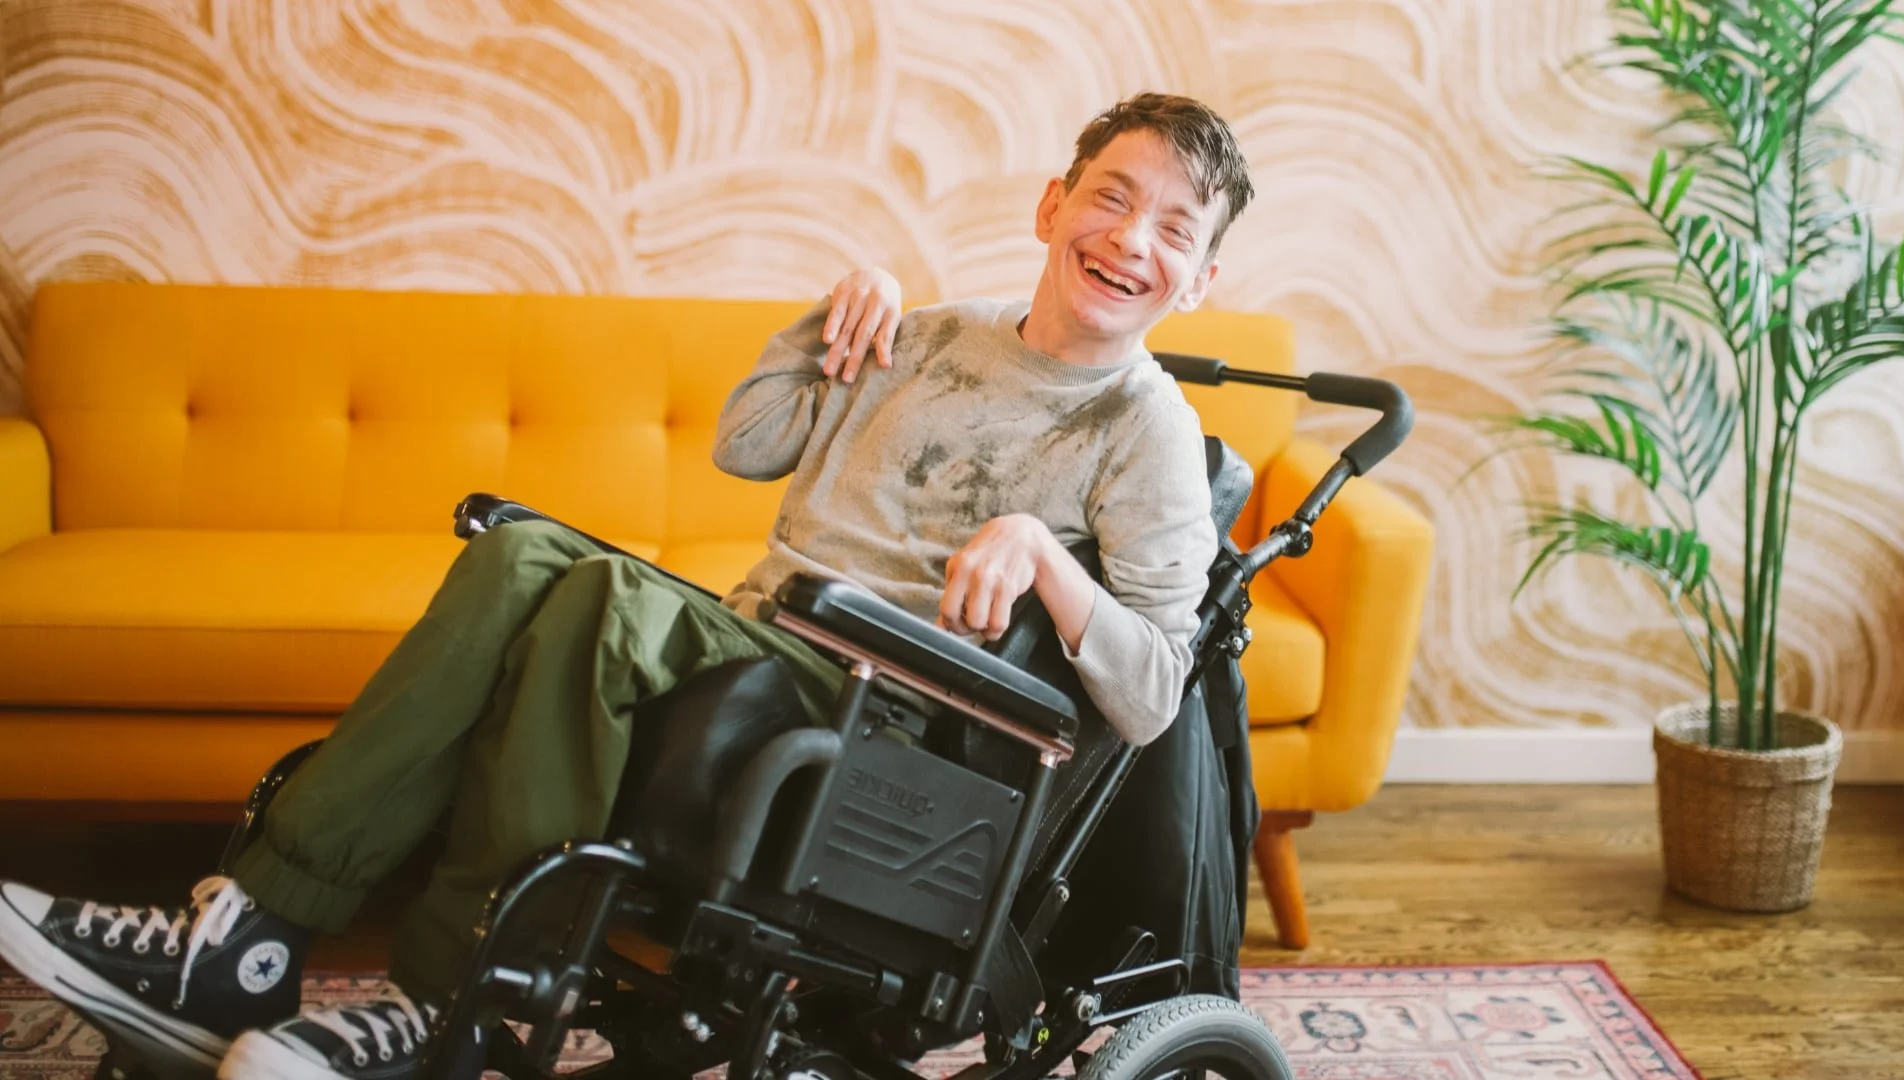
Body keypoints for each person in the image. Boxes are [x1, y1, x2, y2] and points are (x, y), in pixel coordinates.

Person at [0, 91, 1254, 1080]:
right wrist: (827, 325)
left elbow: (1149, 695)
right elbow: (747, 446)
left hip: (888, 709)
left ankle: (450, 997)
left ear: (1197, 282)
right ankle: (251, 933)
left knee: (596, 606)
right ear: (1052, 206)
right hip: (773, 643)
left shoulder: (1142, 432)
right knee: (519, 553)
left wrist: (1041, 556)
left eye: (1174, 232)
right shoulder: (930, 333)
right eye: (1111, 196)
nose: (1130, 239)